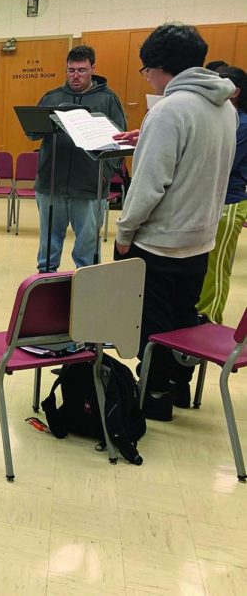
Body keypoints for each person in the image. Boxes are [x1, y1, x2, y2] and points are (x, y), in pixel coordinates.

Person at [113, 23, 237, 421]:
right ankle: (178, 389)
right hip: (200, 235)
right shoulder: (226, 106)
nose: (147, 78)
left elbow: (149, 186)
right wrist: (146, 138)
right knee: (184, 319)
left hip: (161, 239)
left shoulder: (168, 109)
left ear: (160, 68)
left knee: (151, 322)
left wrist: (124, 231)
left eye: (146, 71)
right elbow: (196, 159)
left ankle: (153, 399)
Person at [31, 45, 126, 272]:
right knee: (48, 243)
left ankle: (87, 289)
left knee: (87, 247)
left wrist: (104, 175)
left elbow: (120, 142)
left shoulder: (108, 99)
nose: (76, 76)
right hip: (51, 185)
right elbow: (33, 132)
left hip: (90, 187)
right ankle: (45, 282)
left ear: (93, 68)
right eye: (71, 70)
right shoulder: (52, 97)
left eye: (82, 70)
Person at [197, 65, 247, 324]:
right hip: (212, 199)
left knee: (217, 267)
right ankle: (198, 310)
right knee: (203, 263)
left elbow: (224, 161)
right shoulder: (224, 117)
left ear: (235, 91)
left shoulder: (243, 123)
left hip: (230, 202)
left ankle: (210, 317)